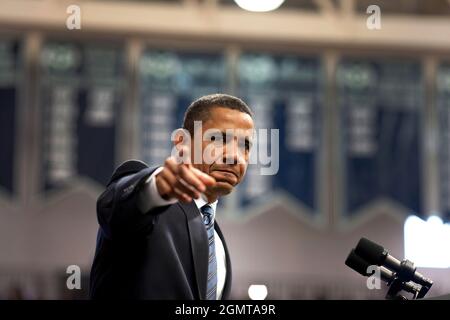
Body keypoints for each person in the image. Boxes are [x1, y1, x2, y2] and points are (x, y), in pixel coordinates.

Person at [89, 93, 254, 299]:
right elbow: (115, 209)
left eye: (244, 146)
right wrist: (155, 190)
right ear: (181, 143)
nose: (234, 156)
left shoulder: (217, 241)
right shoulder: (151, 203)